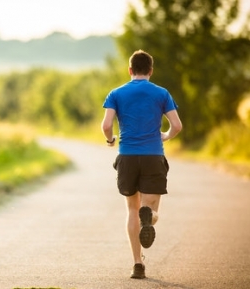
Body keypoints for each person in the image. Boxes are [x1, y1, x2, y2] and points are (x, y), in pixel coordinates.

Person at [101, 50, 183, 279]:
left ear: (130, 70)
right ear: (150, 71)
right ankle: (150, 218)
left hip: (127, 156)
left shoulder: (116, 93)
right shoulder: (161, 93)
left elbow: (106, 125)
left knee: (131, 210)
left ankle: (137, 264)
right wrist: (165, 136)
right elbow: (176, 126)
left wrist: (110, 141)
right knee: (151, 210)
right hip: (152, 156)